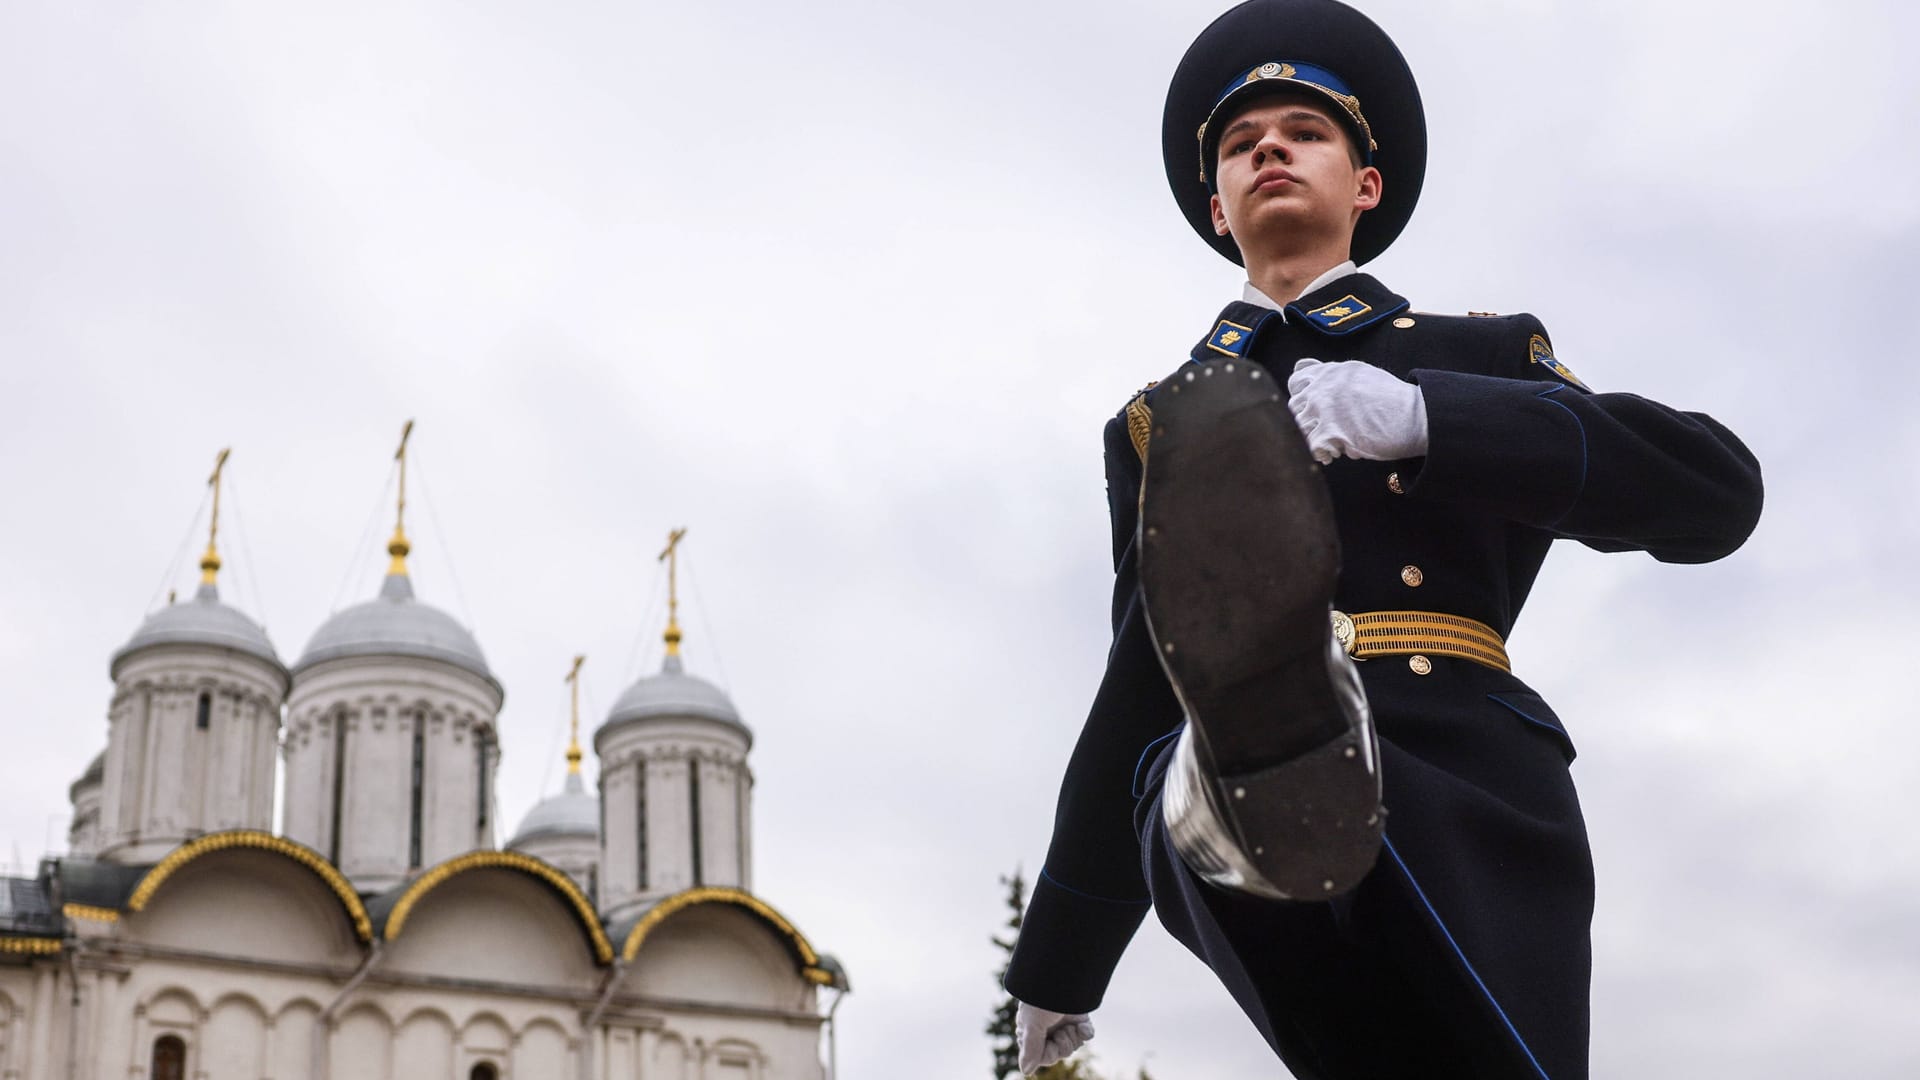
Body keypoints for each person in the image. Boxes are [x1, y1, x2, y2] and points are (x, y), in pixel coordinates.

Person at [1002, 2, 1764, 1077]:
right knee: (1183, 756)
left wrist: (1427, 418)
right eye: (1239, 144)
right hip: (1237, 808)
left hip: (1465, 786)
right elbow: (1141, 678)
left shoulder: (1483, 354)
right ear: (1218, 210)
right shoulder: (1159, 424)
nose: (1268, 147)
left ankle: (1288, 760)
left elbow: (1712, 494)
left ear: (1365, 186)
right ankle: (1277, 743)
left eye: (1304, 132)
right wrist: (1060, 963)